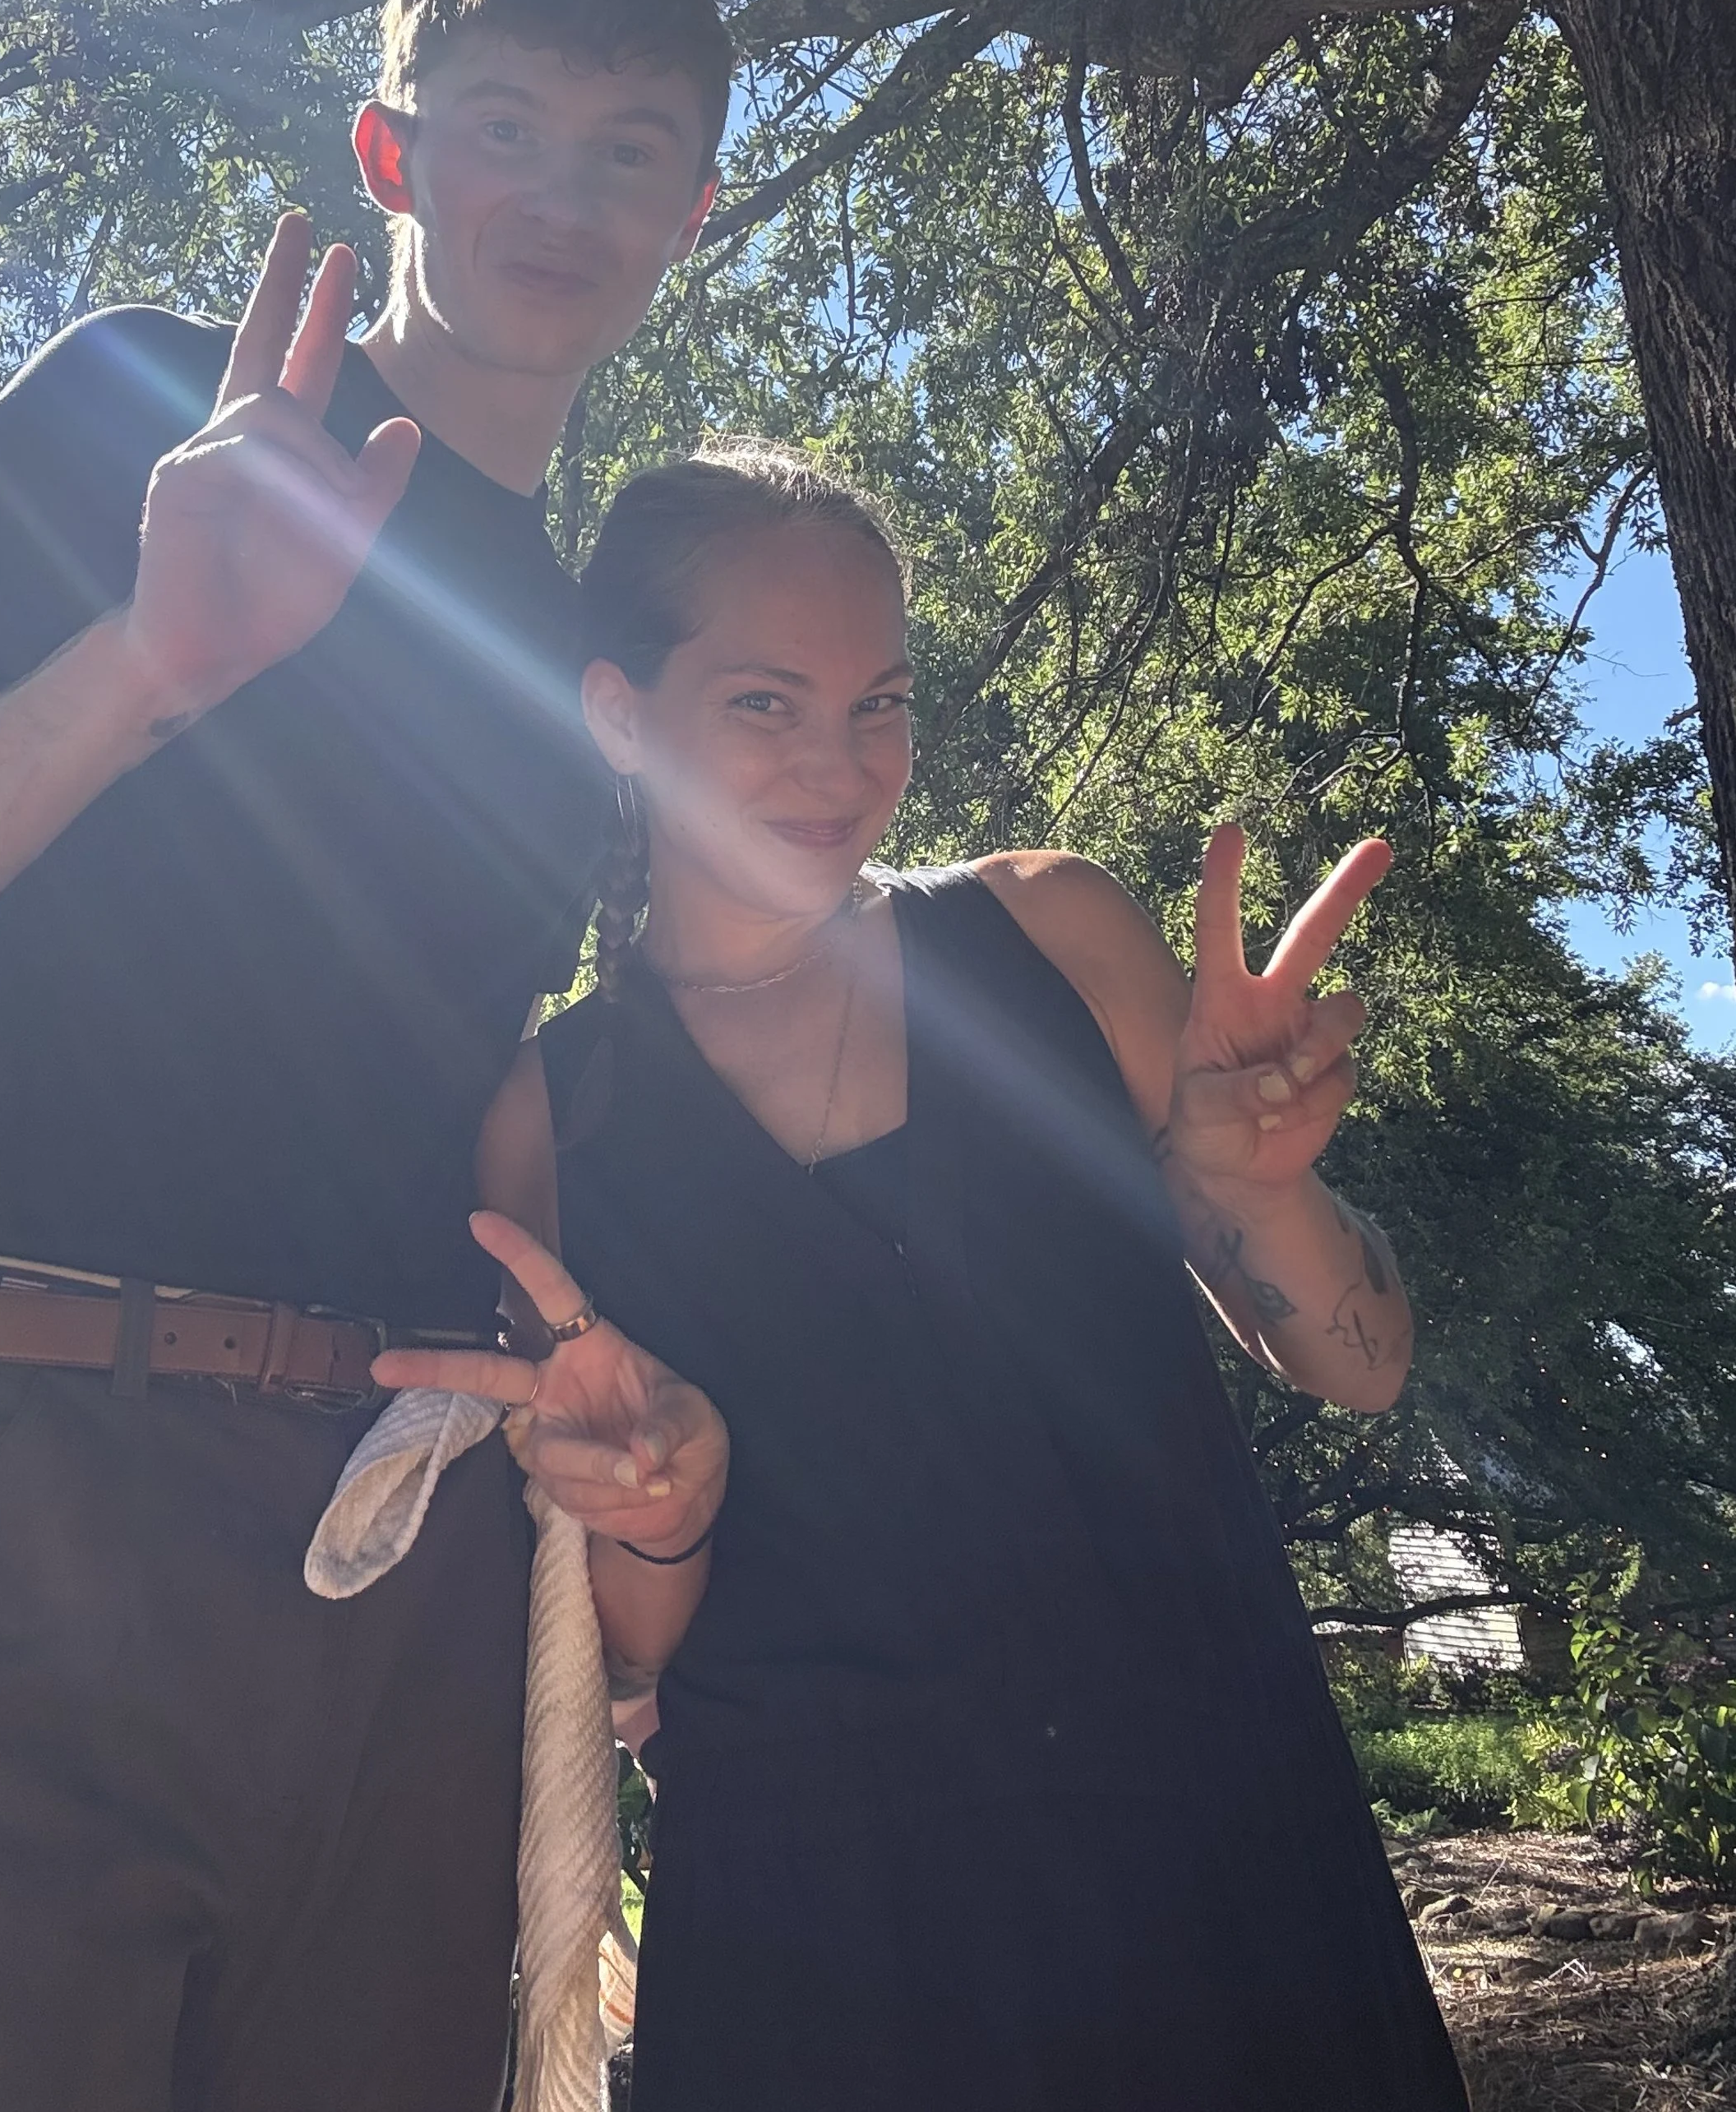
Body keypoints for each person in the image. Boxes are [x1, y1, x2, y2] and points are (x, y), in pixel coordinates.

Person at [0, 0, 732, 2112]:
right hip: (11, 1497)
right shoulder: (149, 410)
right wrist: (149, 665)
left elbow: (477, 1111)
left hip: (396, 1571)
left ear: (697, 207)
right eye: (501, 125)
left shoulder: (583, 673)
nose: (559, 193)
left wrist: (622, 1412)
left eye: (626, 146)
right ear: (387, 156)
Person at [379, 442, 1470, 2112]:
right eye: (764, 703)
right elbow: (629, 1651)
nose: (840, 765)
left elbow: (1359, 1360)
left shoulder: (1046, 936)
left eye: (877, 701)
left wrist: (1265, 1184)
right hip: (826, 1949)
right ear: (615, 713)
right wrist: (656, 1502)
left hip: (1220, 1871)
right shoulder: (549, 1120)